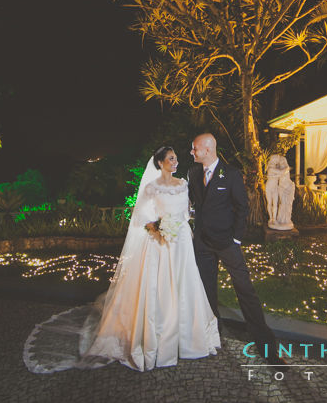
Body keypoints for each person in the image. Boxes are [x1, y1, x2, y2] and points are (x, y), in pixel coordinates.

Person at [23, 146, 220, 373]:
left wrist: (180, 229)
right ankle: (159, 339)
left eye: (176, 158)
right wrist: (159, 230)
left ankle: (188, 337)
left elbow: (186, 213)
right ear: (159, 163)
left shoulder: (183, 184)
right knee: (161, 287)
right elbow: (142, 217)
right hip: (161, 242)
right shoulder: (151, 188)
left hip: (182, 242)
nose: (176, 162)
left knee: (184, 284)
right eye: (171, 159)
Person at [188, 133, 285, 366]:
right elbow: (194, 204)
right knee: (206, 290)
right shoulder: (192, 173)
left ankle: (265, 345)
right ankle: (212, 334)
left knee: (245, 290)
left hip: (227, 243)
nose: (192, 152)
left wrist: (236, 239)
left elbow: (242, 207)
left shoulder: (230, 174)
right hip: (202, 243)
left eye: (195, 149)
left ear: (208, 150)